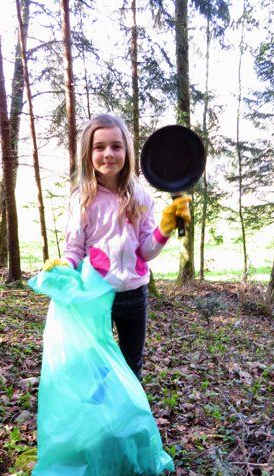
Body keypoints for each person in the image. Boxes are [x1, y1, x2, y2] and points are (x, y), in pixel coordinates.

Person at [43, 114, 190, 380]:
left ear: (127, 152)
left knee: (132, 363)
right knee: (96, 362)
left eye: (116, 146)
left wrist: (165, 228)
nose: (108, 153)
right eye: (99, 147)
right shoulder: (81, 199)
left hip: (134, 294)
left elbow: (145, 252)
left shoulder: (141, 196)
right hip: (97, 294)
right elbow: (74, 250)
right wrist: (65, 265)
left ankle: (129, 407)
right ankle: (100, 405)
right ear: (88, 153)